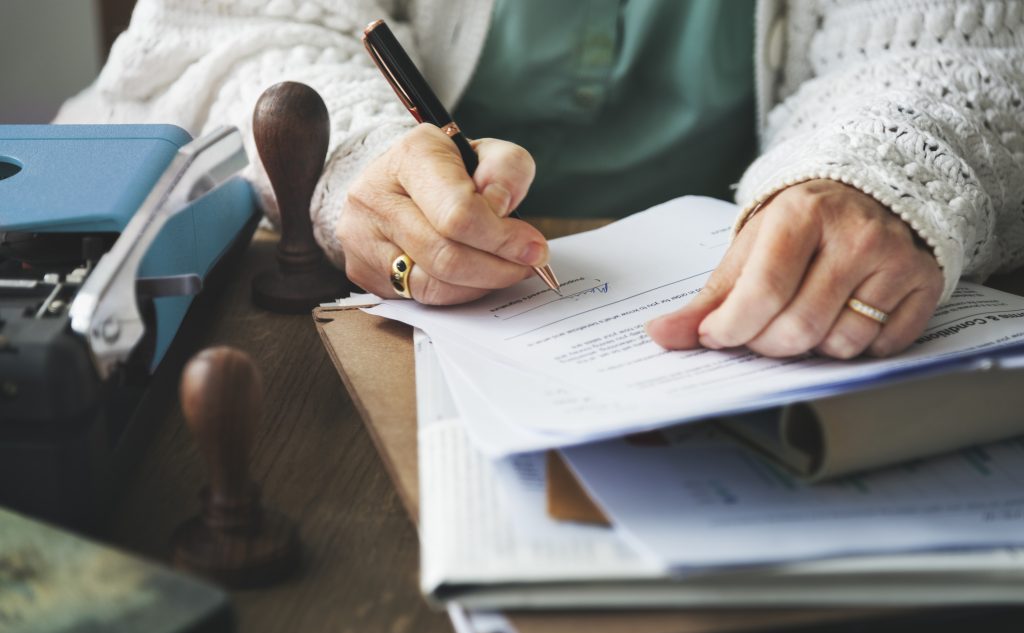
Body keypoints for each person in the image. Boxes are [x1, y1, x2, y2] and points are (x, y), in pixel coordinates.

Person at [59, 0, 1024, 360]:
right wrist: (361, 164)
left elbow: (947, 49)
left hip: (740, 286)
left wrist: (870, 174)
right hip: (377, 343)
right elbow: (232, 34)